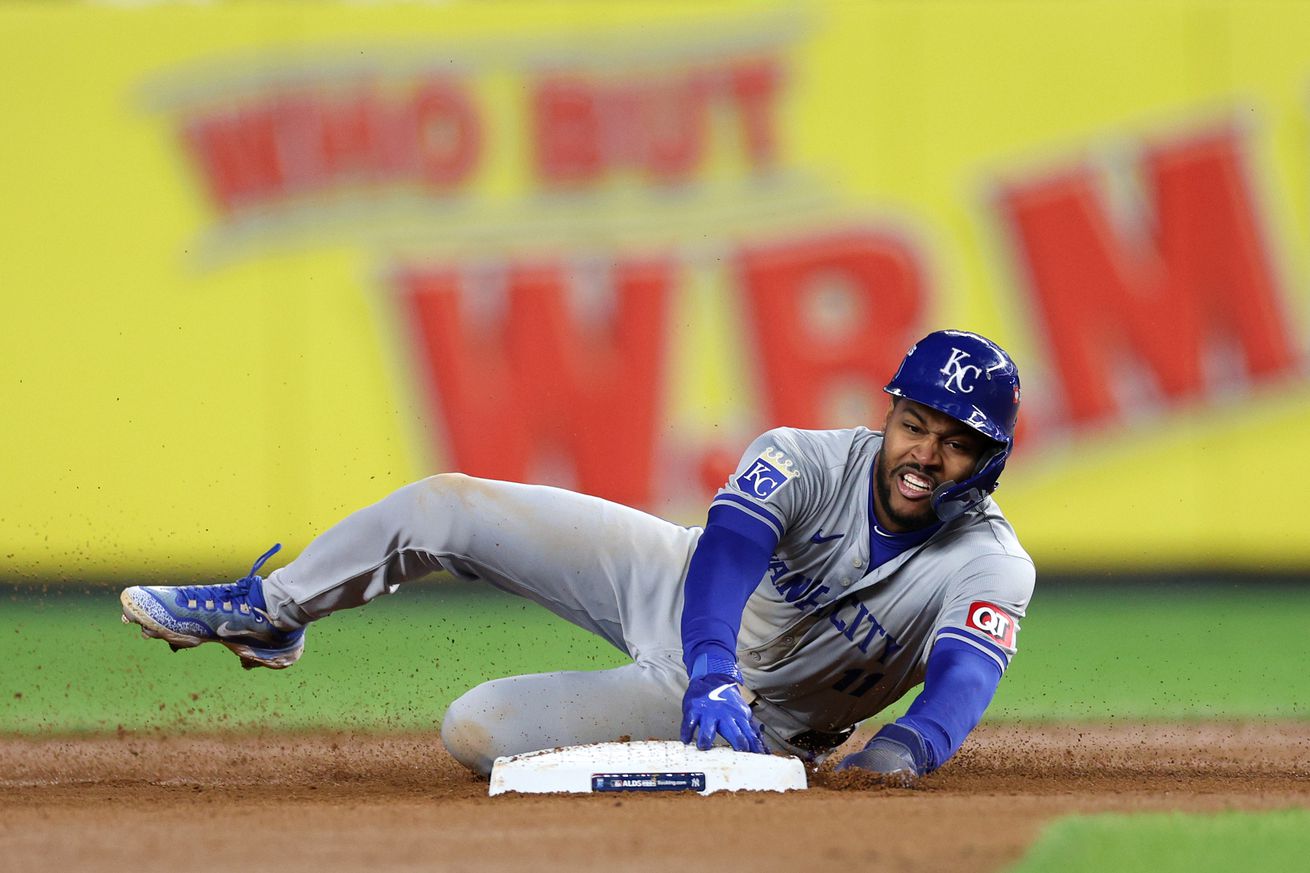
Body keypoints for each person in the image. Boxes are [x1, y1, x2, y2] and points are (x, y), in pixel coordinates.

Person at [120, 328, 1033, 783]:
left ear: (988, 457)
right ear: (890, 414)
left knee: (474, 730)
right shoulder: (805, 456)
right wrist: (707, 667)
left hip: (764, 717)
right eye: (915, 423)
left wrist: (906, 752)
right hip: (677, 593)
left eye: (956, 441)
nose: (926, 453)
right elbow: (723, 553)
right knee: (448, 503)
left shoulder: (988, 561)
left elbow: (961, 676)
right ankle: (275, 610)